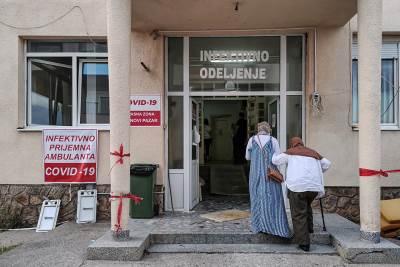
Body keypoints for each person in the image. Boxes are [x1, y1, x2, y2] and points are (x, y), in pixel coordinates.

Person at [272, 137, 331, 252]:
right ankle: (309, 229)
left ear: (293, 144)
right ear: (302, 144)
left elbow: (276, 160)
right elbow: (327, 164)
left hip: (297, 187)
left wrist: (273, 152)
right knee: (306, 206)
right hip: (313, 187)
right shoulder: (313, 153)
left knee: (298, 214)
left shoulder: (290, 152)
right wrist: (317, 171)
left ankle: (304, 243)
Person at [245, 121, 291, 238]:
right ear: (268, 129)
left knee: (256, 198)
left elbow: (247, 157)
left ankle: (258, 225)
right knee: (273, 199)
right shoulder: (273, 140)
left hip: (255, 174)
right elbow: (277, 158)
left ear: (258, 129)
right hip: (270, 174)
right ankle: (274, 227)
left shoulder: (252, 140)